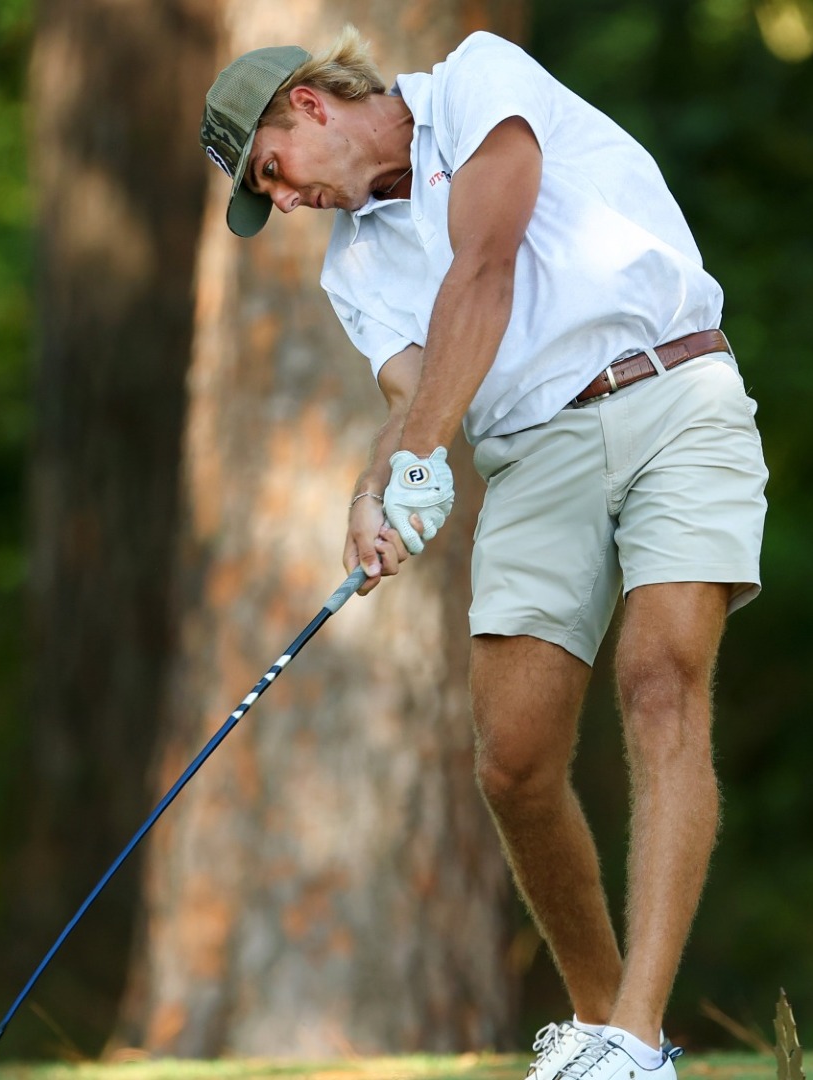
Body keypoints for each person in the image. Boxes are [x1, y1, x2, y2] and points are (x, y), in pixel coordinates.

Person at [199, 26, 768, 1080]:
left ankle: (638, 1039)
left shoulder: (476, 83)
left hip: (673, 393)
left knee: (659, 683)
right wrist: (376, 491)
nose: (281, 203)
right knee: (512, 763)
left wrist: (417, 453)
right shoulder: (354, 264)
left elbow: (486, 265)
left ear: (311, 106)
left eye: (270, 172)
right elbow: (413, 400)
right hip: (533, 456)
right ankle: (601, 1024)